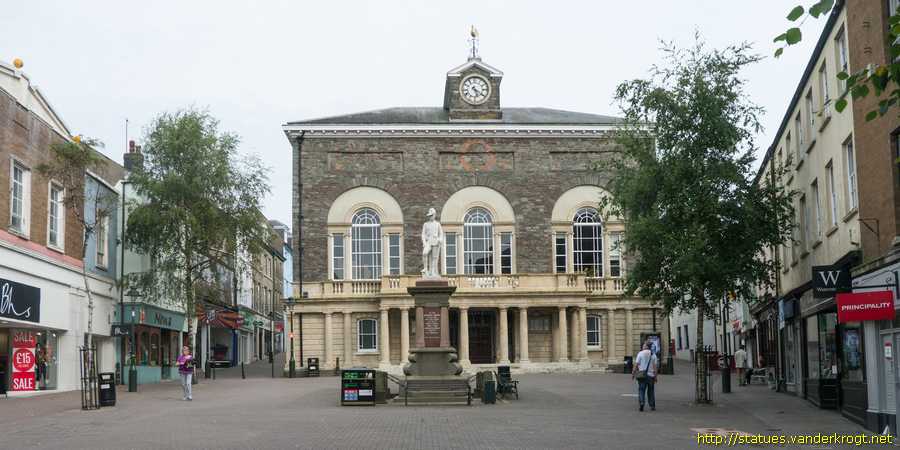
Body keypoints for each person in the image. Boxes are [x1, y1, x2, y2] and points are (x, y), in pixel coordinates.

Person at [632, 341, 658, 411]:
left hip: (642, 375)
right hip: (651, 376)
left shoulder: (640, 353)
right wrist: (655, 377)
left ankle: (642, 403)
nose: (643, 346)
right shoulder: (653, 355)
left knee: (641, 390)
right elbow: (655, 367)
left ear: (646, 346)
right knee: (651, 391)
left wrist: (633, 373)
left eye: (644, 345)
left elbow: (636, 364)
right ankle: (652, 405)